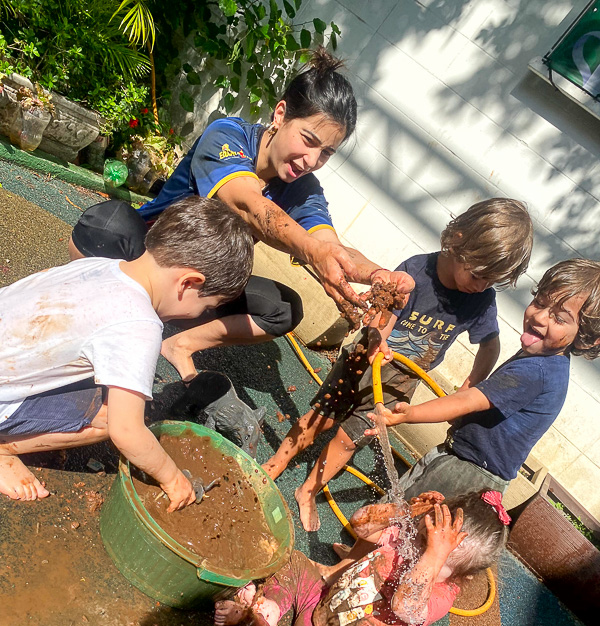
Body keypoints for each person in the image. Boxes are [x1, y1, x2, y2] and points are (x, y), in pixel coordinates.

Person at [71, 49, 412, 382]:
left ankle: (178, 345)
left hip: (203, 287)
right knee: (108, 222)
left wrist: (380, 277)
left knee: (285, 308)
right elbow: (247, 205)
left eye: (326, 153)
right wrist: (314, 252)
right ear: (280, 115)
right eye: (308, 140)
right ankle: (101, 313)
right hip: (147, 258)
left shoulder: (304, 189)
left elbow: (330, 245)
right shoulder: (228, 135)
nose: (311, 160)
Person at [262, 198, 533, 530]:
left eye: (490, 281)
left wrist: (470, 384)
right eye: (478, 274)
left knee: (351, 437)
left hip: (401, 381)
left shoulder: (481, 300)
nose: (480, 286)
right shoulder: (416, 272)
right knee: (322, 416)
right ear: (459, 240)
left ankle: (307, 490)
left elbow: (490, 345)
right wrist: (379, 339)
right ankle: (275, 465)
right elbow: (386, 312)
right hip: (366, 358)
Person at [0, 196, 253, 506]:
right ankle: (4, 447)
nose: (201, 314)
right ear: (188, 283)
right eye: (208, 306)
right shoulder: (139, 324)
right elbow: (125, 431)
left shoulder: (101, 265)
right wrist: (174, 479)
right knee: (111, 416)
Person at [214, 491, 509, 626]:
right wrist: (404, 510)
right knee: (293, 561)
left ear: (461, 577)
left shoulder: (440, 596)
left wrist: (434, 553)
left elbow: (404, 605)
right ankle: (269, 609)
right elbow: (361, 525)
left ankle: (253, 621)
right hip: (318, 604)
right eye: (422, 539)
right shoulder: (405, 538)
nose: (419, 552)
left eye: (436, 555)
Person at [366, 259, 600, 500]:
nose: (539, 317)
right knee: (396, 512)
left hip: (469, 472)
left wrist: (410, 414)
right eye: (539, 302)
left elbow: (469, 401)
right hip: (467, 461)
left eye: (559, 318)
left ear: (587, 339)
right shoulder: (544, 358)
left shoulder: (537, 371)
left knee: (394, 515)